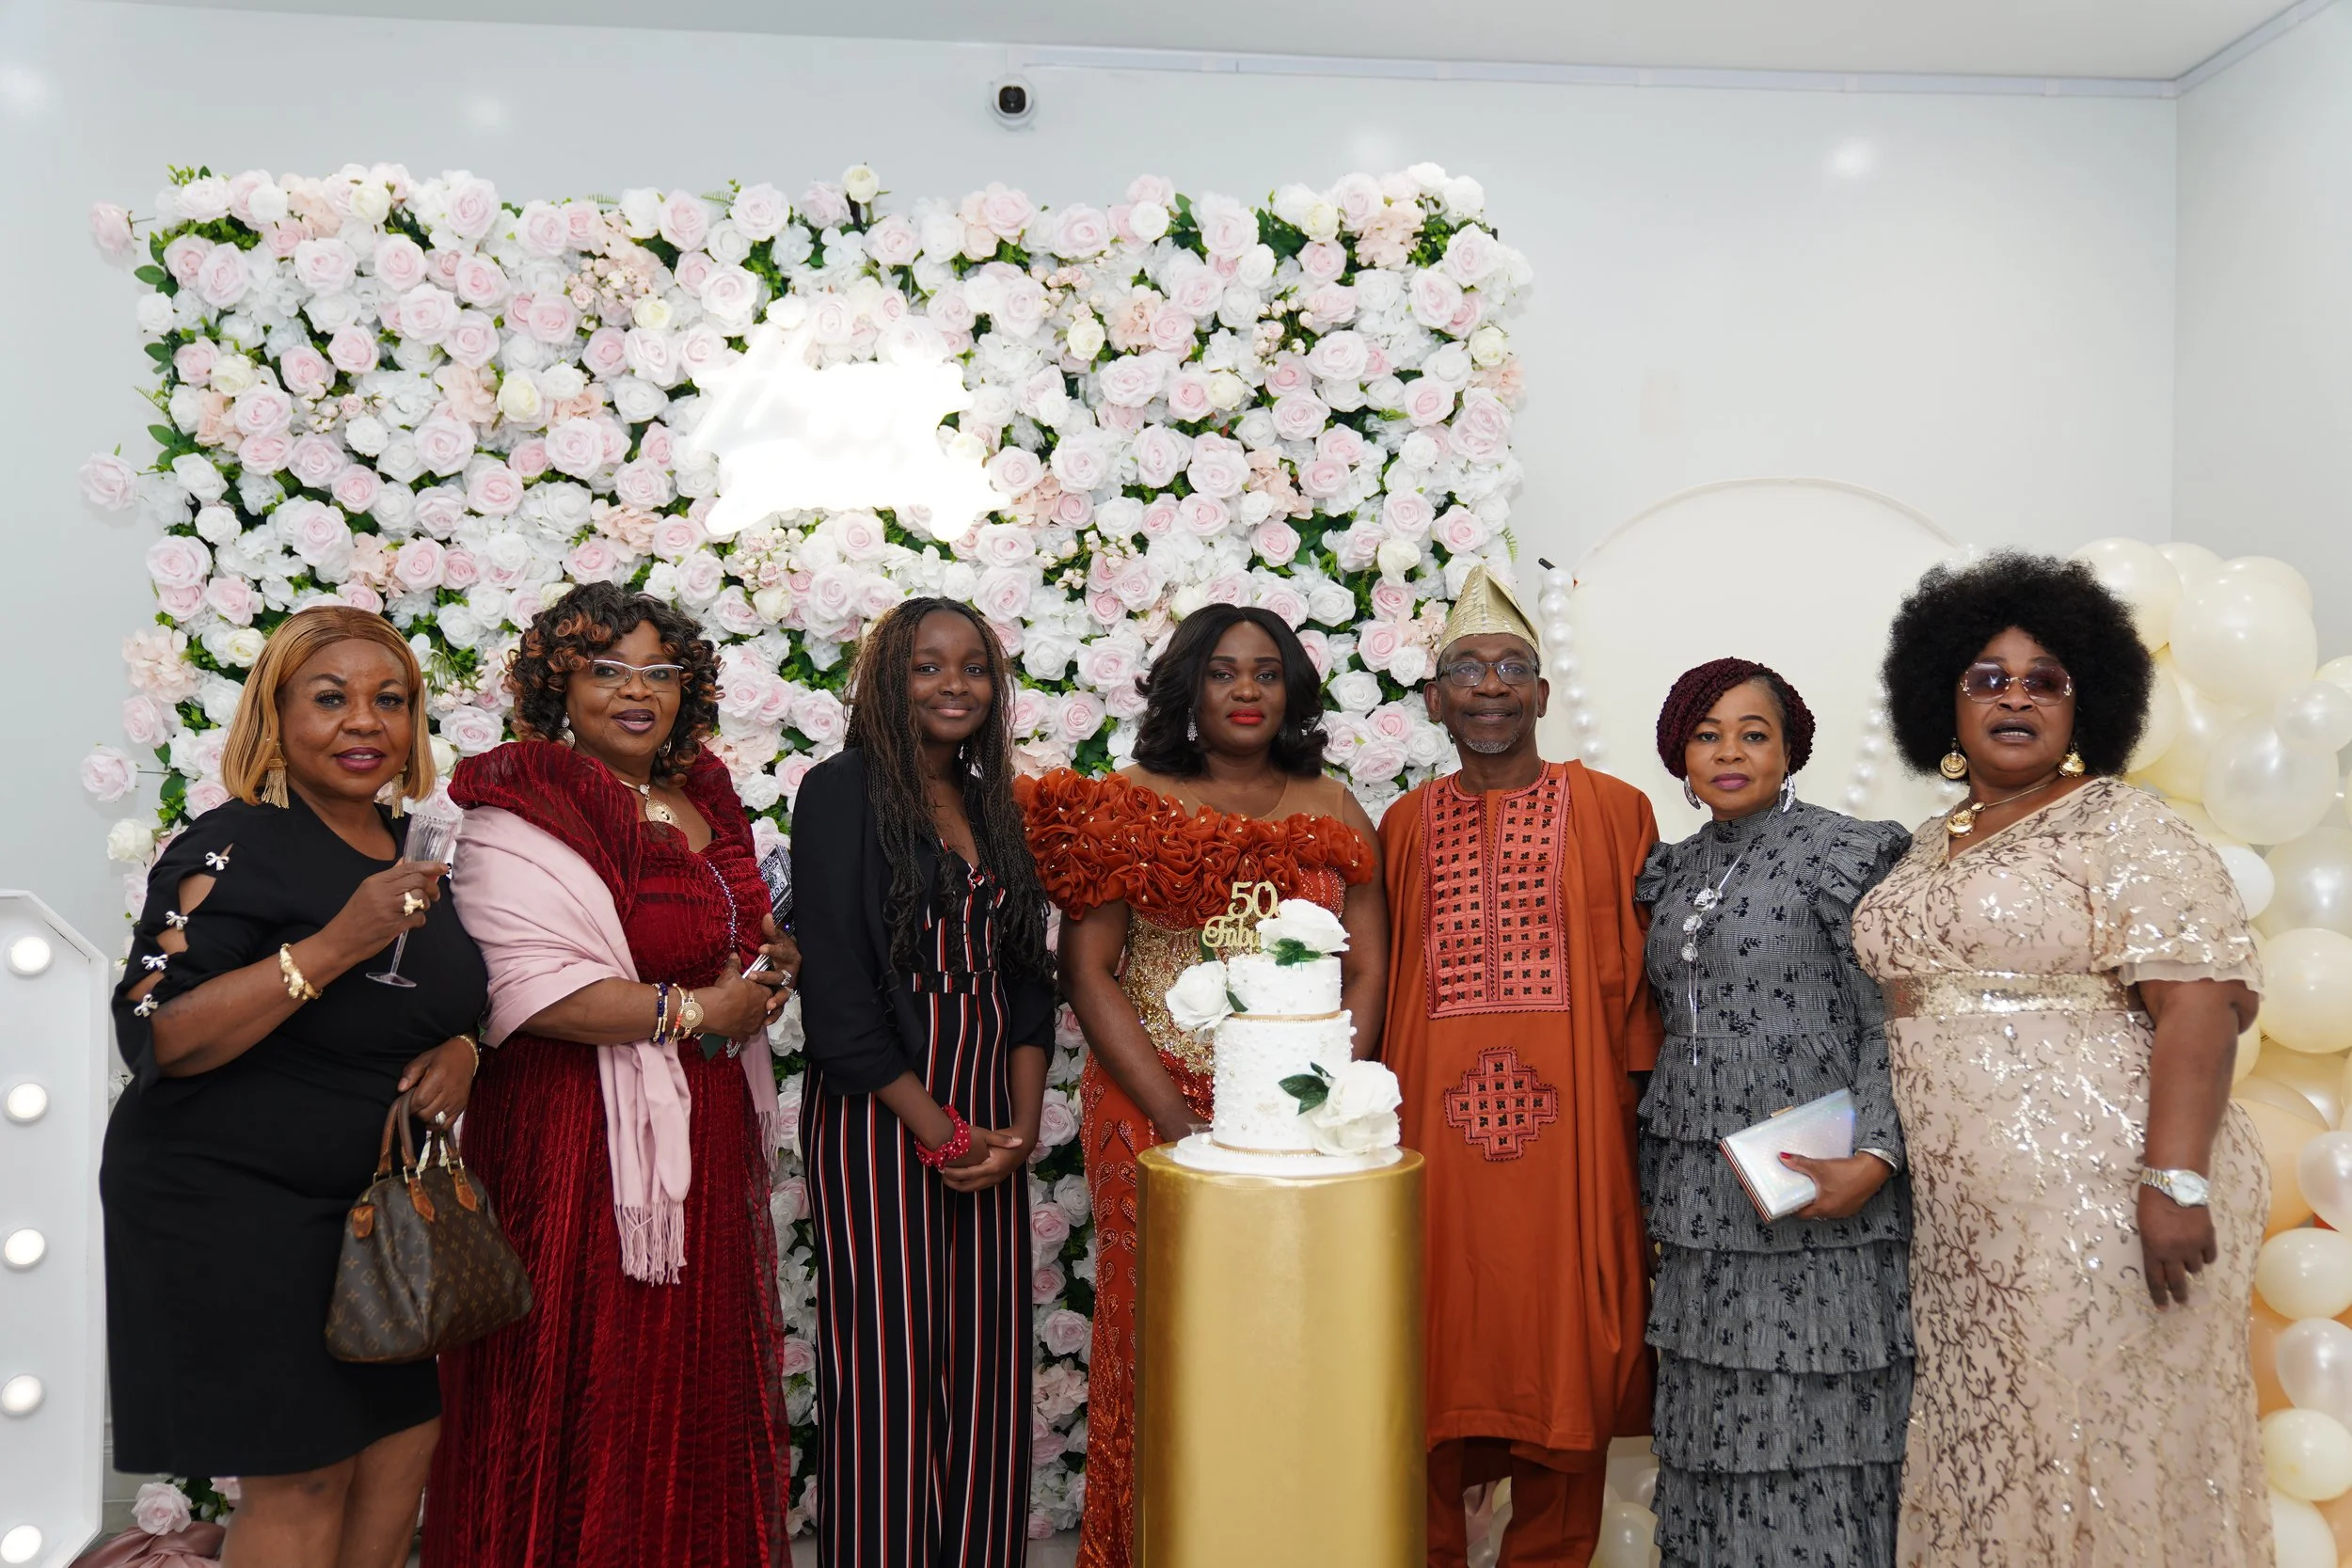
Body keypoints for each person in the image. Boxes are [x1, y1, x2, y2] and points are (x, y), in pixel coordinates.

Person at [1851, 553, 2269, 1565]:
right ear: (1940, 700)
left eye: (2046, 678)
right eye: (1987, 676)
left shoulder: (2119, 824)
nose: (2016, 696)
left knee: (2095, 1455)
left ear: (2088, 704)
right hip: (1968, 1229)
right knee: (1996, 1447)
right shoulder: (1923, 843)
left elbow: (2200, 1000)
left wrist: (2171, 1175)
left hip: (2108, 1201)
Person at [421, 583, 799, 1567]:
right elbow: (527, 990)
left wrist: (763, 972)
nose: (638, 693)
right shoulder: (522, 801)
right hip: (570, 1134)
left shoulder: (699, 793)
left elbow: (736, 931)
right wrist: (693, 1009)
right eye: (607, 671)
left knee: (685, 1376)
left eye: (659, 672)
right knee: (581, 1372)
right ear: (560, 684)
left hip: (700, 1121)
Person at [103, 606, 485, 1568]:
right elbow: (159, 1031)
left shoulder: (416, 848)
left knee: (402, 1449)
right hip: (227, 1200)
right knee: (305, 1473)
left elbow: (449, 997)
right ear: (275, 717)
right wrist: (330, 945)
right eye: (331, 698)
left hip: (367, 1213)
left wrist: (467, 1048)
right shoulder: (229, 844)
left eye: (388, 700)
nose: (365, 721)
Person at [1020, 604, 1386, 1568]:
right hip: (1150, 1101)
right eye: (1224, 671)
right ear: (1189, 686)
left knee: (1294, 1316)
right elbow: (1089, 968)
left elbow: (1367, 969)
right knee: (1161, 1327)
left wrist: (1319, 1096)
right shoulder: (1127, 795)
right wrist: (1176, 1115)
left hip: (1296, 1119)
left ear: (1291, 688)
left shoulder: (1335, 803)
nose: (1247, 690)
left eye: (1266, 672)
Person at [1377, 565, 1662, 1568]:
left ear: (1542, 692)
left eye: (1511, 668)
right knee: (1424, 1335)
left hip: (1575, 1132)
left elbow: (1644, 977)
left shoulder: (1616, 806)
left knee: (1569, 1342)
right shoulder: (1404, 826)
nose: (1489, 686)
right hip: (1430, 1134)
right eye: (1465, 669)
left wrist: (1633, 1110)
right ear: (1433, 699)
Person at [790, 598, 1057, 1567]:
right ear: (886, 680)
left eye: (975, 667)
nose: (955, 685)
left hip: (988, 1108)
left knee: (985, 1368)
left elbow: (1029, 975)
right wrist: (937, 1131)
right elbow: (839, 995)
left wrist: (1016, 1129)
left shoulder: (993, 799)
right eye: (927, 666)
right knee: (892, 1374)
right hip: (881, 1112)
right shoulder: (839, 791)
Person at [1636, 657, 1914, 1568]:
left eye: (1753, 733)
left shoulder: (1845, 852)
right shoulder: (1668, 872)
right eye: (1706, 733)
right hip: (1701, 1192)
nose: (1728, 751)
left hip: (1822, 1183)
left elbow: (1895, 1019)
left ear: (1789, 747)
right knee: (1715, 1410)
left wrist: (1874, 1153)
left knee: (1820, 1412)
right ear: (1678, 751)